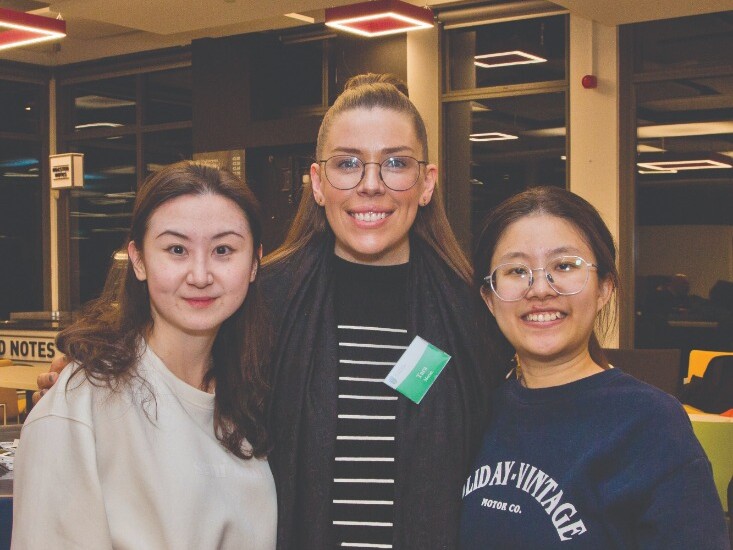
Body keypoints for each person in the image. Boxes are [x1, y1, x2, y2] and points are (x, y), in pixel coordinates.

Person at [36, 74, 506, 549]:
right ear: (318, 183)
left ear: (426, 184)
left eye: (396, 163)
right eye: (347, 164)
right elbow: (171, 359)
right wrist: (92, 368)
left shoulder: (472, 313)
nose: (370, 185)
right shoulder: (262, 297)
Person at [14, 162, 277, 549]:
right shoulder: (80, 407)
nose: (200, 274)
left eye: (223, 250)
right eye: (176, 249)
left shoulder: (250, 394)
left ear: (254, 263)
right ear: (138, 260)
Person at [460, 186, 729, 549]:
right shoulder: (475, 408)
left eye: (564, 266)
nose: (540, 288)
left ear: (605, 288)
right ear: (489, 298)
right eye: (516, 270)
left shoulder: (650, 424)